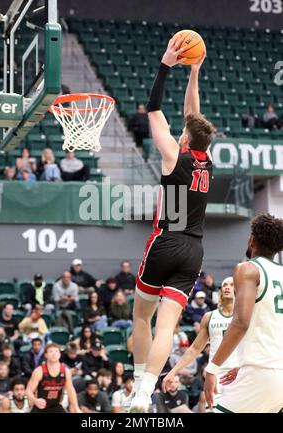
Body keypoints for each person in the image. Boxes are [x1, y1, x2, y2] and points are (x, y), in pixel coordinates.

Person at [130, 39, 214, 412]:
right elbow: (192, 117)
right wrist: (194, 73)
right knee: (167, 328)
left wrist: (165, 65)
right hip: (194, 250)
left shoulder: (171, 156)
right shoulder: (205, 159)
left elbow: (154, 108)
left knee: (141, 316)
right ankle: (147, 391)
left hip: (166, 241)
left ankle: (136, 385)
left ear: (183, 138)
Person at [204, 214, 283, 413]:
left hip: (262, 372)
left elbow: (240, 323)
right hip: (272, 373)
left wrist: (212, 369)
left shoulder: (248, 269)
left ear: (252, 240)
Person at [163, 277, 238, 410]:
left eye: (231, 285)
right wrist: (173, 372)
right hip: (217, 376)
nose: (227, 287)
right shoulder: (209, 317)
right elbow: (194, 349)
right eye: (224, 285)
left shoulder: (245, 316)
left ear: (238, 289)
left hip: (240, 374)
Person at [26, 342, 81, 413]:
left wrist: (76, 408)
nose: (54, 353)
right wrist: (35, 400)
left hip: (56, 406)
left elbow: (70, 390)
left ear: (60, 354)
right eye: (51, 351)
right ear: (46, 355)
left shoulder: (66, 371)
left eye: (56, 351)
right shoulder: (39, 371)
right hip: (40, 407)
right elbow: (28, 391)